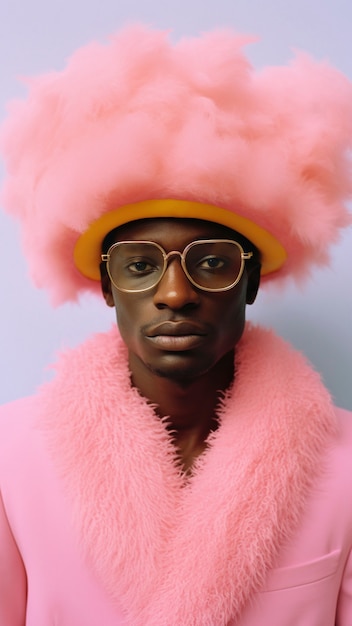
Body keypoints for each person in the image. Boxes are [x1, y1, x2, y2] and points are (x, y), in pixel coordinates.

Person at [0, 24, 351, 626]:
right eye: (139, 266)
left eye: (211, 263)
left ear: (251, 281)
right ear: (108, 286)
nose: (175, 294)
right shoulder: (9, 454)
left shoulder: (346, 460)